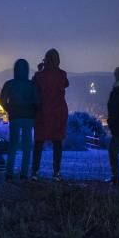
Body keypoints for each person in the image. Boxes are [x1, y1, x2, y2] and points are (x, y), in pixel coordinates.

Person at [0, 59, 40, 180]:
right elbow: (37, 101)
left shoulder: (9, 84)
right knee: (27, 147)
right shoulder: (31, 85)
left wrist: (9, 109)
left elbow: (1, 100)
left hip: (15, 118)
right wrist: (33, 112)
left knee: (13, 145)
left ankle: (9, 173)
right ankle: (24, 174)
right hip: (28, 118)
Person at [32, 48, 69, 180]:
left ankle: (35, 172)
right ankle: (56, 173)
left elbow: (34, 84)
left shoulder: (39, 76)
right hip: (58, 113)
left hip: (42, 112)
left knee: (39, 142)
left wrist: (40, 70)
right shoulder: (62, 75)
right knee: (57, 143)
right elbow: (66, 84)